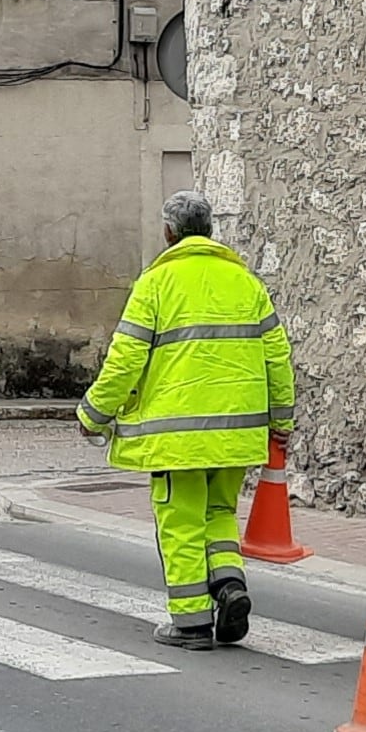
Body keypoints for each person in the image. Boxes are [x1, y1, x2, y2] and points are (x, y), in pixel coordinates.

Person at [76, 189, 297, 650]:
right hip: (238, 433)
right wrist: (281, 420)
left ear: (169, 232)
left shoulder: (156, 284)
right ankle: (230, 586)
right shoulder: (247, 284)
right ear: (211, 231)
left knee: (180, 522)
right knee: (219, 513)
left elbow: (125, 359)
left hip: (177, 437)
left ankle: (191, 622)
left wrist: (93, 415)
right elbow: (277, 355)